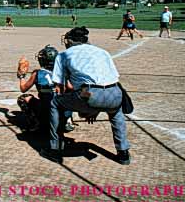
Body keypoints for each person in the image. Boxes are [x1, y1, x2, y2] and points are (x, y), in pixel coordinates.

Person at [40, 26, 131, 165]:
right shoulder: (103, 52)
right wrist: (94, 108)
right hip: (116, 92)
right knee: (116, 113)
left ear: (70, 41)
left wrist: (88, 108)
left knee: (55, 103)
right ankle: (123, 153)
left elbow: (60, 87)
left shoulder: (64, 54)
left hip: (89, 94)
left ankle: (55, 149)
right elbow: (113, 78)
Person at [16, 45, 74, 133]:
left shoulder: (37, 73)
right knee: (69, 94)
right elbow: (71, 88)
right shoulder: (64, 71)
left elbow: (23, 88)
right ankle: (68, 120)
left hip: (46, 107)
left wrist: (21, 76)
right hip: (61, 108)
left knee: (23, 98)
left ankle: (36, 123)